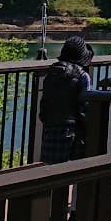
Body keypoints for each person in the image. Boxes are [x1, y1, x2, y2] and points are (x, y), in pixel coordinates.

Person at [38, 35, 93, 164]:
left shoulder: (52, 71)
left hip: (50, 127)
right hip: (71, 130)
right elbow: (85, 106)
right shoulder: (82, 75)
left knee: (50, 168)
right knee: (70, 170)